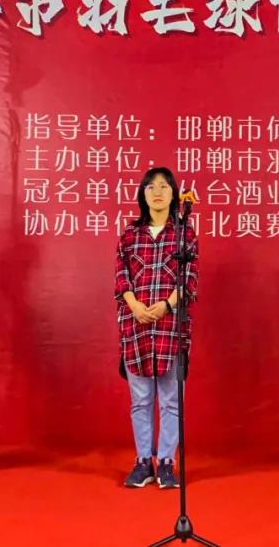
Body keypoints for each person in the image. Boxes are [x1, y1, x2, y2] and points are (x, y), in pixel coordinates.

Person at [114, 167, 198, 489]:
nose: (158, 192)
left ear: (174, 193)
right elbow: (121, 277)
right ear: (143, 194)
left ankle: (165, 462)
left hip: (170, 328)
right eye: (151, 187)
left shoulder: (184, 234)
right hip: (135, 327)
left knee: (171, 400)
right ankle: (142, 462)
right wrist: (135, 306)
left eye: (164, 186)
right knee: (140, 401)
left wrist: (166, 306)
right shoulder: (129, 234)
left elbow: (189, 281)